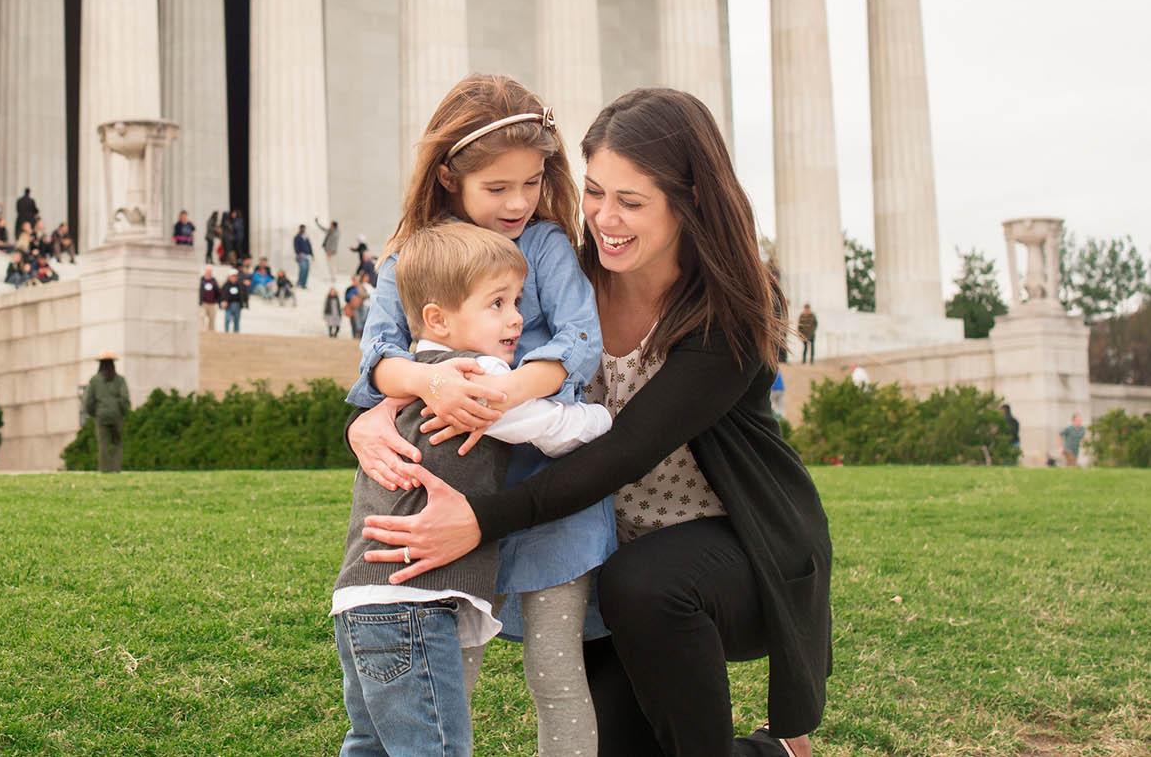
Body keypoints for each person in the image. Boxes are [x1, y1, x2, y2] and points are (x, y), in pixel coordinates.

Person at [351, 87, 831, 757]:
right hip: (614, 549)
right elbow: (446, 342)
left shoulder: (728, 306)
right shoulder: (565, 271)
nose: (605, 218)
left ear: (689, 200)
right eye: (596, 192)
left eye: (631, 202)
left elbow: (625, 450)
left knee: (646, 583)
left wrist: (480, 518)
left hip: (736, 548)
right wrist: (376, 413)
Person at [341, 72, 610, 757]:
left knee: (554, 667)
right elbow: (379, 356)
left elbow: (581, 340)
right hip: (455, 495)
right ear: (448, 177)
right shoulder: (412, 254)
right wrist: (433, 383)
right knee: (443, 668)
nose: (519, 201)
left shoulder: (545, 244)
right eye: (498, 188)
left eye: (532, 180)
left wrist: (505, 392)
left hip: (554, 498)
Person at [81, 351, 131, 473]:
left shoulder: (94, 380)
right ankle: (116, 469)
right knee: (117, 443)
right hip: (116, 415)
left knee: (103, 444)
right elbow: (125, 398)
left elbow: (88, 401)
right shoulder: (120, 380)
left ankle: (104, 470)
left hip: (101, 416)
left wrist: (94, 413)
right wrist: (123, 412)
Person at [221, 269, 247, 333]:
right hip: (229, 305)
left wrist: (244, 302)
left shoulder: (240, 284)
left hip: (237, 304)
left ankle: (236, 332)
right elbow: (222, 294)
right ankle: (226, 332)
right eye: (233, 276)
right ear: (229, 277)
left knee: (236, 320)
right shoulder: (226, 285)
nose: (234, 277)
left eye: (235, 276)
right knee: (227, 319)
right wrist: (223, 301)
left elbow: (244, 293)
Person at [199, 266, 220, 331]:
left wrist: (218, 300)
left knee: (212, 319)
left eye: (210, 272)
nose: (208, 273)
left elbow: (218, 291)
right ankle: (202, 330)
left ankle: (211, 331)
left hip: (212, 303)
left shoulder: (214, 281)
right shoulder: (201, 280)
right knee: (201, 317)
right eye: (207, 271)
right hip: (203, 303)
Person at [294, 224, 314, 290]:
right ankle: (299, 282)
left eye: (304, 228)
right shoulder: (297, 237)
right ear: (300, 229)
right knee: (303, 269)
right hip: (301, 256)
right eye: (302, 228)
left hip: (307, 256)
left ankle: (303, 284)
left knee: (307, 270)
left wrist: (312, 254)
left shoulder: (306, 237)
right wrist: (298, 254)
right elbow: (296, 246)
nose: (303, 230)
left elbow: (309, 246)